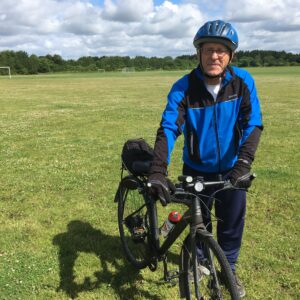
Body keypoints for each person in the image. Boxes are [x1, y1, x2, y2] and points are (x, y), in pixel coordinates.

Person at [148, 20, 263, 298]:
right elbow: (169, 127)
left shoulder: (243, 82)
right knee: (200, 224)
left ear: (230, 55)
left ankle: (228, 268)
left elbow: (253, 124)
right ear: (198, 53)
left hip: (233, 170)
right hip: (197, 170)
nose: (215, 56)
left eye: (221, 50)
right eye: (208, 49)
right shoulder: (183, 87)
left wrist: (244, 164)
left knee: (232, 225)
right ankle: (200, 265)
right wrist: (157, 169)